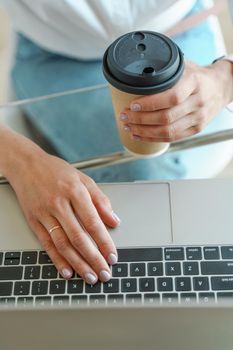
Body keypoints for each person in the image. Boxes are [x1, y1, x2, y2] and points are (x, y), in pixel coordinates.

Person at [1, 0, 233, 284]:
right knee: (143, 182)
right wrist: (20, 160)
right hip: (58, 54)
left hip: (178, 34)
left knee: (164, 181)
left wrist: (226, 78)